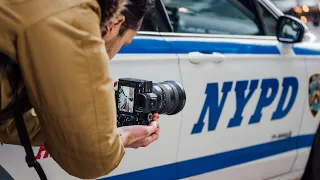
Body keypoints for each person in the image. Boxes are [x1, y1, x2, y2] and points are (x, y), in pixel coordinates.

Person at [0, 0, 160, 179]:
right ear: (114, 25)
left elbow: (7, 123)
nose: (114, 55)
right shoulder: (73, 20)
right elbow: (94, 159)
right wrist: (124, 136)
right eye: (124, 43)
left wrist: (96, 129)